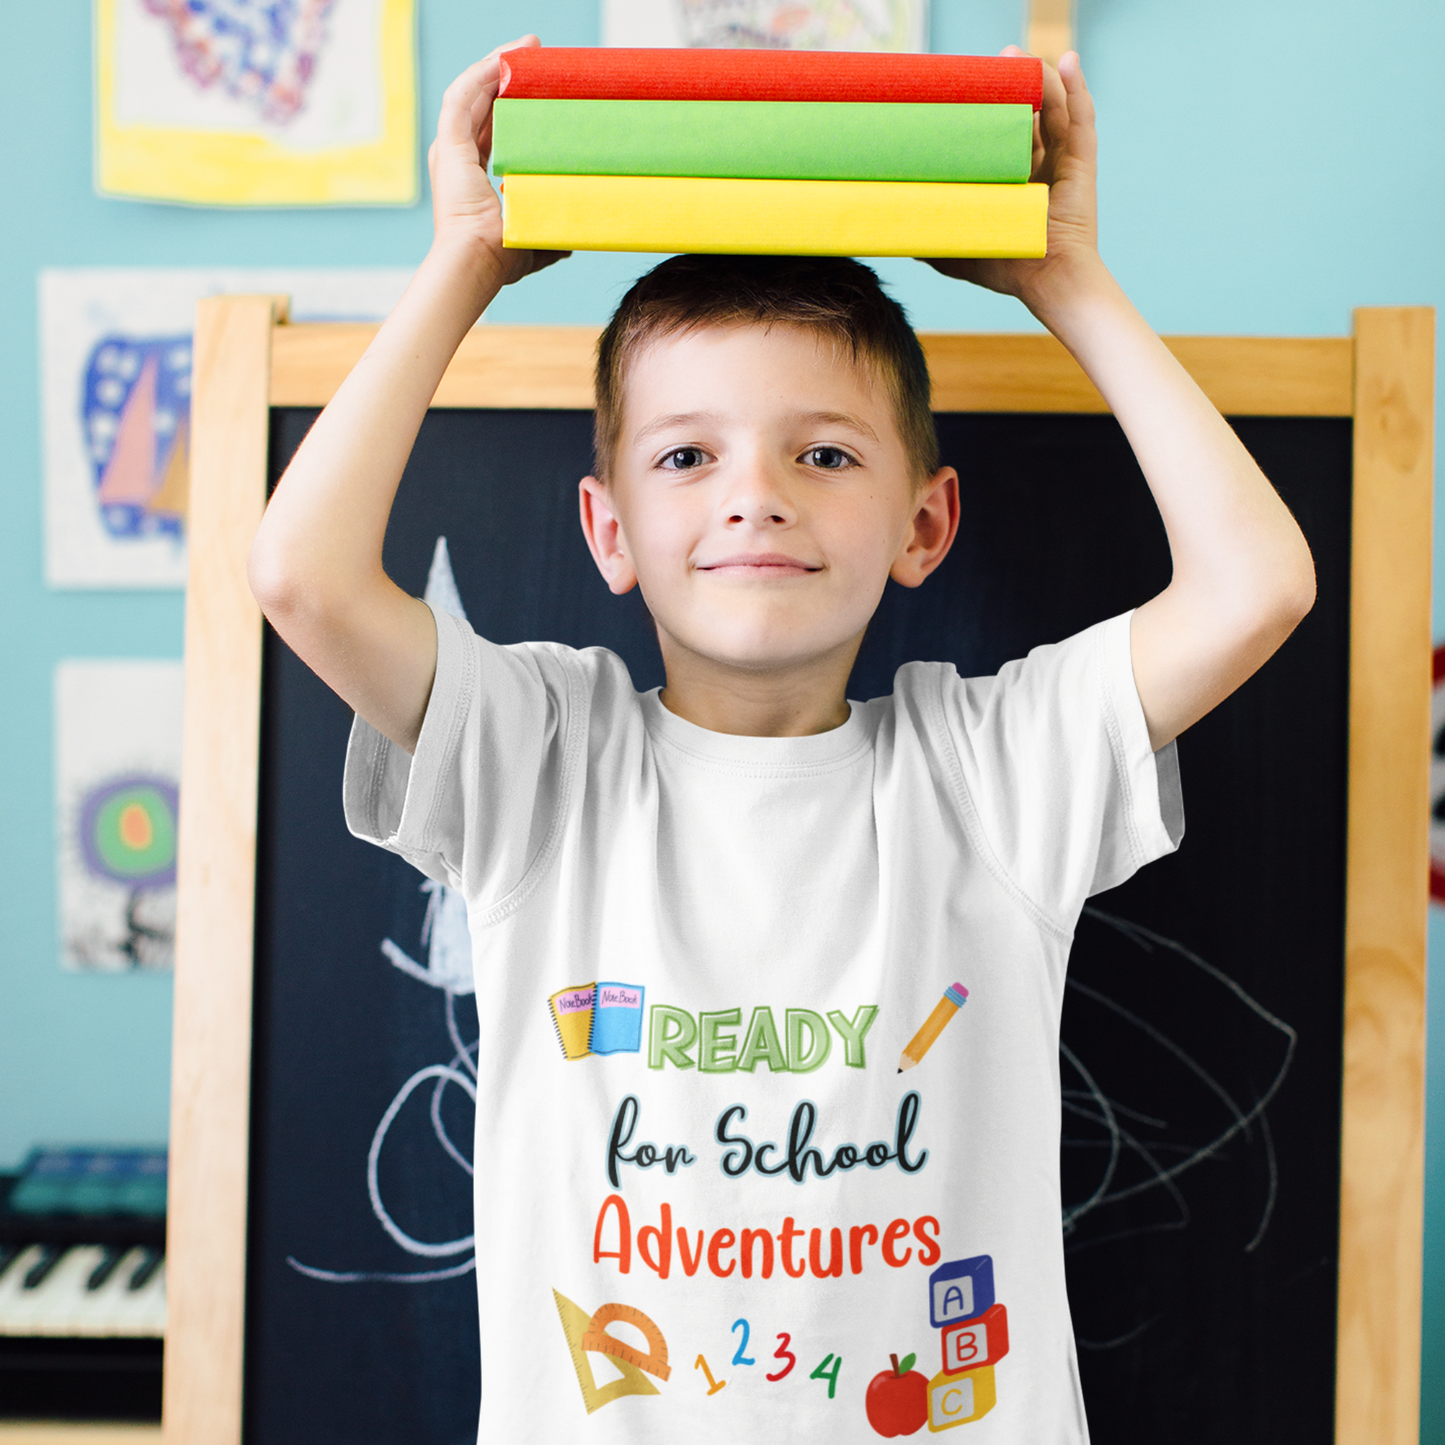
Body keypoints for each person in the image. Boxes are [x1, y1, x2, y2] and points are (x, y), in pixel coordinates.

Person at [247, 35, 1314, 1443]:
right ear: (609, 531)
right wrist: (467, 259)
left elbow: (1262, 587)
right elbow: (300, 578)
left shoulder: (987, 776)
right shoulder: (544, 764)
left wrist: (1065, 274)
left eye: (824, 452)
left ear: (925, 524)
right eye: (688, 455)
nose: (754, 496)